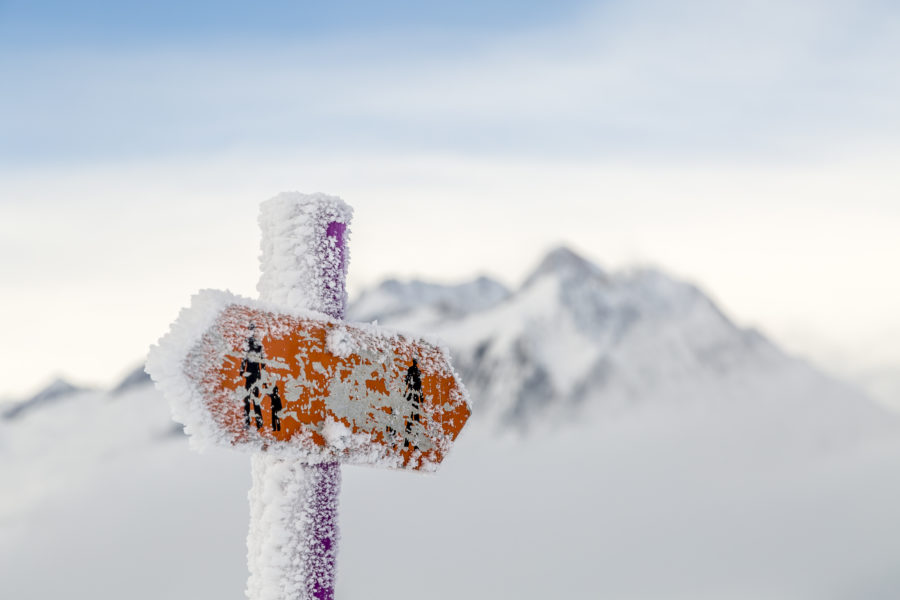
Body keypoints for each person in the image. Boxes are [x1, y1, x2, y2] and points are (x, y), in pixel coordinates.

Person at [241, 330, 265, 430]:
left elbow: (244, 360)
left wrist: (242, 371)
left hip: (251, 375)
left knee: (249, 399)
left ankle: (250, 422)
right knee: (253, 399)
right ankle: (257, 422)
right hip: (255, 375)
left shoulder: (249, 345)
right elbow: (262, 361)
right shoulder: (258, 346)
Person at [403, 359, 422, 449]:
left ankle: (410, 443)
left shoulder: (414, 374)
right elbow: (419, 389)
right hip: (413, 399)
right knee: (414, 420)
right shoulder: (415, 374)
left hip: (411, 398)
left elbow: (406, 382)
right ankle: (411, 443)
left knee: (412, 420)